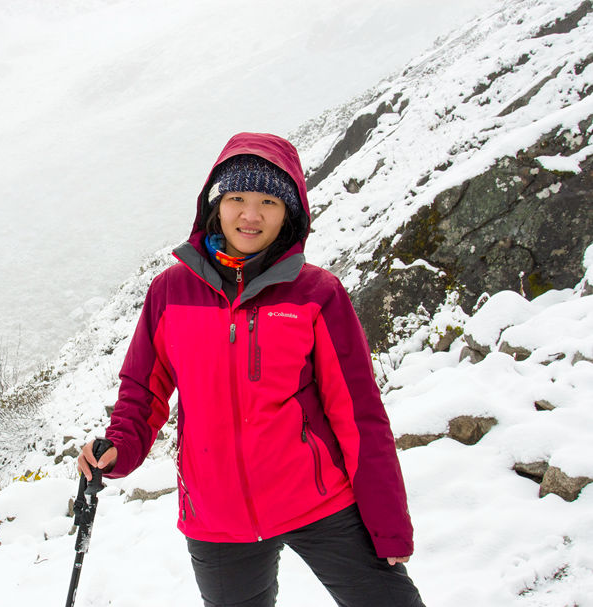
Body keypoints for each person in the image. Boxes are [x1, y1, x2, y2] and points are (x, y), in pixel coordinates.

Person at [78, 132, 425, 607]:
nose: (250, 214)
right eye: (237, 197)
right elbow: (143, 389)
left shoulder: (316, 294)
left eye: (268, 201)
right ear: (215, 206)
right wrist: (118, 446)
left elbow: (359, 413)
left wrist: (388, 526)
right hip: (216, 517)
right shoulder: (171, 292)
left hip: (318, 502)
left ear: (290, 214)